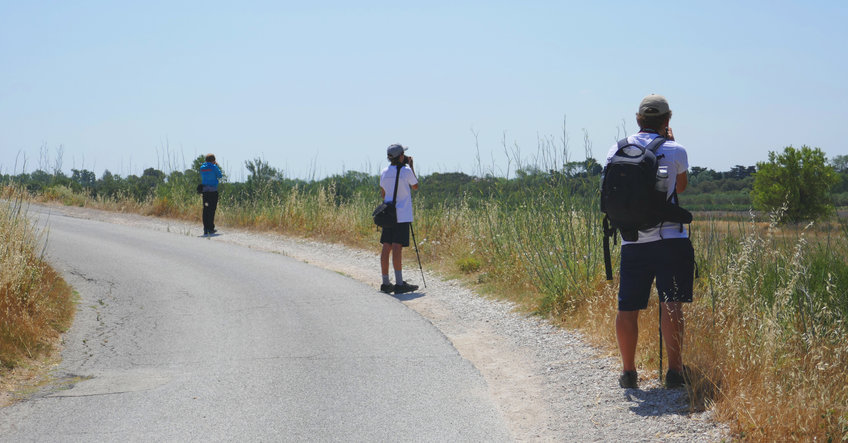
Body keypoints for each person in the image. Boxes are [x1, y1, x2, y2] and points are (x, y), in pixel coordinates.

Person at [606, 94, 694, 389]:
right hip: (671, 239)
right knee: (672, 305)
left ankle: (629, 373)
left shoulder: (616, 150)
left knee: (627, 308)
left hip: (632, 241)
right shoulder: (676, 150)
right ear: (667, 120)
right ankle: (675, 372)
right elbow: (680, 187)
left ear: (638, 119)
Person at [379, 144, 420, 295]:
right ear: (401, 157)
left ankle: (385, 282)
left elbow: (383, 194)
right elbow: (415, 186)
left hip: (388, 214)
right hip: (402, 214)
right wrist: (411, 165)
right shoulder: (406, 170)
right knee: (397, 247)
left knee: (386, 246)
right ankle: (399, 283)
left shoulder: (384, 172)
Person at [199, 154, 223, 236]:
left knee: (205, 209)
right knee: (212, 210)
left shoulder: (202, 168)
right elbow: (220, 175)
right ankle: (211, 228)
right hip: (213, 191)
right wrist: (215, 165)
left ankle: (205, 228)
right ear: (213, 160)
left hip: (205, 191)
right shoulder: (214, 167)